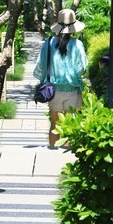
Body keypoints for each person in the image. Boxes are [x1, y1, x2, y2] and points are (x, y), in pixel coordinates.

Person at [33, 8, 88, 147]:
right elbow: (82, 67)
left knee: (54, 124)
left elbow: (40, 66)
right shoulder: (77, 44)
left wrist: (43, 82)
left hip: (54, 91)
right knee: (70, 125)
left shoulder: (49, 42)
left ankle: (52, 151)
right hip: (72, 90)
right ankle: (65, 157)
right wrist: (73, 76)